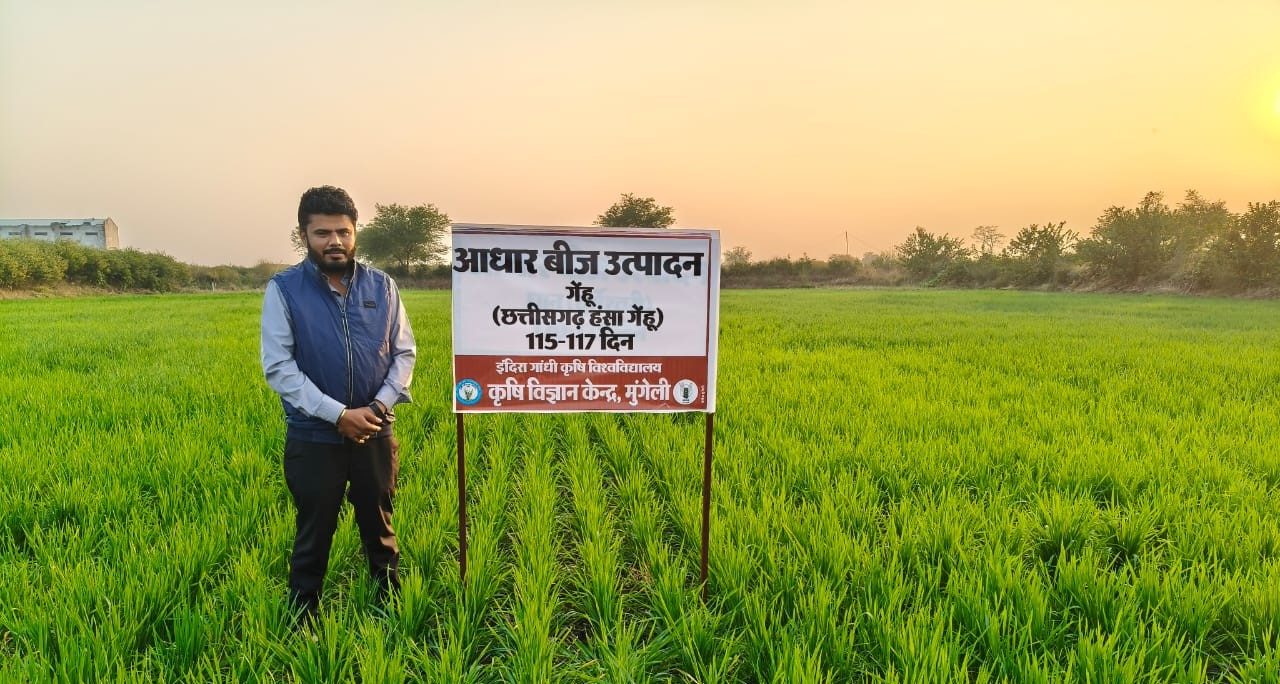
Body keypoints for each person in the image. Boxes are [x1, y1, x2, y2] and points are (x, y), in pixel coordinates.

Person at [260, 185, 416, 621]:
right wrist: (338, 415)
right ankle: (302, 618)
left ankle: (391, 609)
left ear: (355, 232)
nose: (335, 242)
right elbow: (279, 367)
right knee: (314, 530)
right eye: (323, 233)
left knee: (379, 522)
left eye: (343, 232)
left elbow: (404, 352)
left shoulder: (382, 286)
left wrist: (379, 409)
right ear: (304, 236)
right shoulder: (285, 290)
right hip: (314, 436)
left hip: (375, 431)